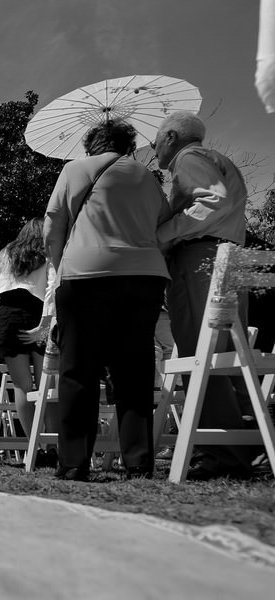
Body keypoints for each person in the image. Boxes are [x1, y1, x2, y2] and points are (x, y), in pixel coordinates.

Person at [43, 119, 170, 482]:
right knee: (135, 370)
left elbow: (53, 226)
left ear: (90, 145)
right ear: (129, 145)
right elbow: (161, 223)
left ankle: (73, 463)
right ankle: (139, 463)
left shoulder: (74, 169)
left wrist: (59, 266)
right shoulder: (147, 177)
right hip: (145, 276)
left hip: (86, 273)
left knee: (78, 371)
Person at [153, 110, 259, 480]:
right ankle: (250, 444)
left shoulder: (188, 158)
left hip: (202, 259)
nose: (152, 149)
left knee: (203, 354)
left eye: (155, 140)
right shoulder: (221, 160)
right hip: (231, 258)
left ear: (170, 137)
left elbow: (211, 202)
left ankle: (223, 454)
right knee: (230, 356)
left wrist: (163, 232)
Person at [0, 218, 54, 439]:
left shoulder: (3, 254)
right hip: (38, 314)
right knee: (46, 384)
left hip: (8, 315)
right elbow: (51, 292)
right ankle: (52, 444)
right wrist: (45, 327)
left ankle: (34, 446)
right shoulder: (48, 253)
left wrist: (3, 322)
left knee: (22, 386)